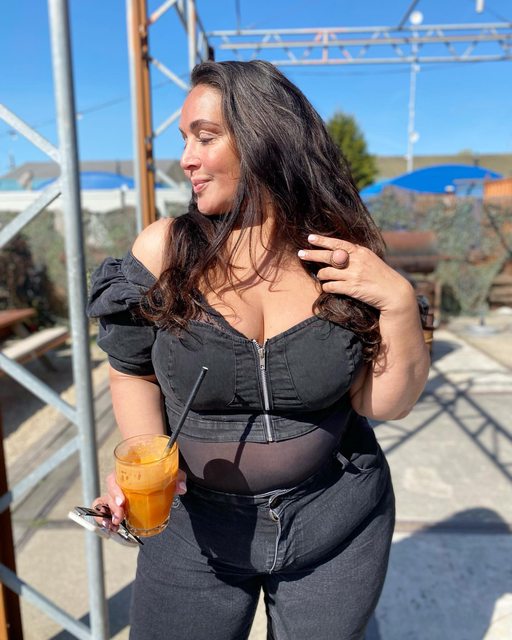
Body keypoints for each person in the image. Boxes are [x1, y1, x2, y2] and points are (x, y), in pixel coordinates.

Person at [87, 59, 430, 640]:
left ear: (263, 136)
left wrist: (398, 302)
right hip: (195, 533)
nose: (186, 159)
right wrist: (146, 461)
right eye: (184, 140)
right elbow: (131, 370)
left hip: (337, 524)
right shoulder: (165, 249)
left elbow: (385, 404)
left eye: (205, 137)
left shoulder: (338, 254)